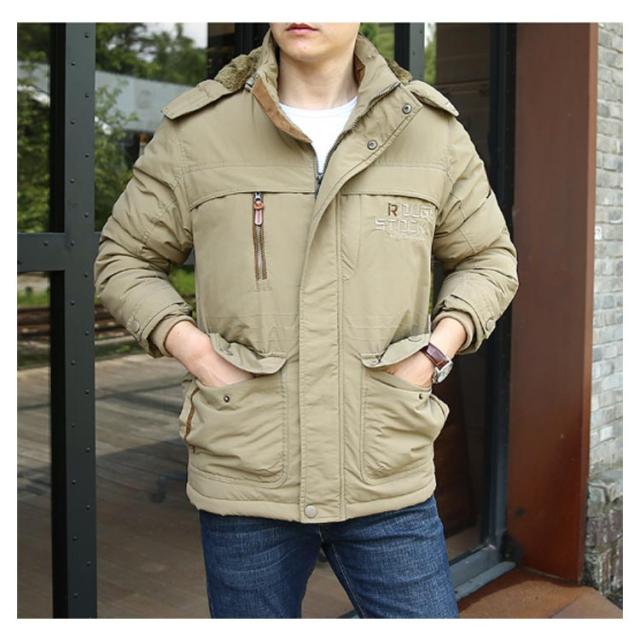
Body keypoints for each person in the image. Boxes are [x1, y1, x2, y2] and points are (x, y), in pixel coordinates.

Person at [94, 22, 519, 618]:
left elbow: (489, 259)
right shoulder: (201, 130)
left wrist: (432, 355)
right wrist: (198, 354)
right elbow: (123, 260)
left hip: (386, 465)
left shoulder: (428, 131)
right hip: (248, 469)